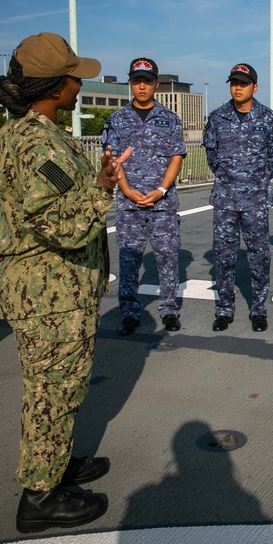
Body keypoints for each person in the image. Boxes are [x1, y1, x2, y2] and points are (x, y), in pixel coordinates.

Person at [0, 32, 128, 532]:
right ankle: (40, 498)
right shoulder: (37, 143)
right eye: (74, 79)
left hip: (49, 287)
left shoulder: (22, 133)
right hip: (48, 291)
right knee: (53, 389)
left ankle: (56, 464)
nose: (78, 87)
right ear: (55, 86)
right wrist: (104, 189)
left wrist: (94, 183)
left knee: (58, 387)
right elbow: (61, 226)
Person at [102, 57, 186, 336]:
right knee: (129, 258)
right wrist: (126, 190)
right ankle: (129, 311)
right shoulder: (117, 119)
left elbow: (177, 157)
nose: (142, 86)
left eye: (147, 81)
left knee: (167, 256)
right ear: (129, 83)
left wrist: (161, 190)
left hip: (162, 202)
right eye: (137, 81)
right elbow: (113, 159)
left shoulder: (170, 118)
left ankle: (169, 309)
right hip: (130, 203)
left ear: (156, 84)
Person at [203, 63, 273, 332]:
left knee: (259, 256)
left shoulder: (268, 119)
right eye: (234, 82)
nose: (237, 87)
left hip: (255, 200)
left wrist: (254, 181)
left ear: (255, 87)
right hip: (225, 199)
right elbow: (212, 157)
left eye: (243, 83)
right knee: (224, 257)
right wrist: (230, 178)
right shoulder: (217, 118)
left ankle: (258, 310)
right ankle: (224, 310)